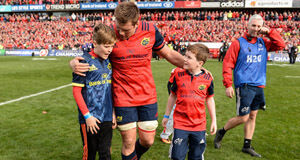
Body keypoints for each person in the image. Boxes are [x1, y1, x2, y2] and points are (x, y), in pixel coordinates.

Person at [70, 2, 186, 160]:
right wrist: (73, 62)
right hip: (122, 96)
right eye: (118, 27)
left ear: (137, 23)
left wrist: (191, 66)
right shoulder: (110, 31)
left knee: (147, 140)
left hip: (147, 95)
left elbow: (169, 54)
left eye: (125, 30)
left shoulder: (150, 30)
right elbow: (94, 51)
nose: (120, 33)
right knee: (129, 142)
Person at [214, 14, 285, 158]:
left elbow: (281, 45)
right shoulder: (238, 43)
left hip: (259, 85)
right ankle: (222, 131)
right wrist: (228, 85)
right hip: (244, 85)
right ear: (247, 26)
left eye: (259, 26)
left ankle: (247, 145)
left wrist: (270, 32)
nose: (256, 29)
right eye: (253, 25)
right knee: (243, 117)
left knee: (253, 116)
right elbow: (227, 64)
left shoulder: (263, 42)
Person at [162, 44, 217, 160]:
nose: (184, 59)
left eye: (189, 57)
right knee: (177, 157)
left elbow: (210, 99)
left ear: (200, 63)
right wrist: (166, 116)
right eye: (185, 56)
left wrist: (214, 121)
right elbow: (172, 96)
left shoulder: (207, 78)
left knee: (196, 156)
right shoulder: (178, 75)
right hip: (180, 124)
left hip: (199, 126)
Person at [72, 23, 117, 160]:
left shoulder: (110, 60)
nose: (110, 50)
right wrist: (87, 117)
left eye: (112, 46)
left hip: (107, 116)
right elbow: (76, 92)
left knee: (105, 153)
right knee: (90, 153)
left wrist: (113, 113)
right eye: (106, 46)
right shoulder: (83, 62)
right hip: (90, 118)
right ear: (95, 43)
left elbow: (111, 90)